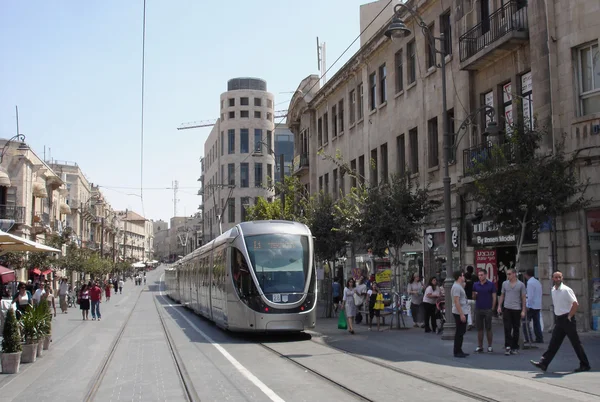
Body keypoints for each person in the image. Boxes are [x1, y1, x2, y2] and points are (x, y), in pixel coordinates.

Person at [531, 271, 591, 373]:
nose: (557, 279)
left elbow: (575, 304)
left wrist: (569, 316)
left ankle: (585, 364)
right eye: (555, 277)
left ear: (562, 278)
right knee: (554, 343)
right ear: (553, 279)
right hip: (559, 320)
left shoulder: (567, 290)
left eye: (559, 277)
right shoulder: (553, 290)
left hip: (567, 320)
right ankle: (544, 363)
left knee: (576, 343)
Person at [497, 268, 526, 355]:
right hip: (507, 308)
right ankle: (508, 346)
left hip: (517, 309)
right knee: (507, 328)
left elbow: (523, 298)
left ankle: (515, 346)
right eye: (507, 274)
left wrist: (523, 310)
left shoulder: (521, 285)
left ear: (514, 274)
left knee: (516, 328)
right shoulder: (504, 284)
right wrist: (499, 306)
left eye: (509, 274)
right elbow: (502, 295)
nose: (508, 276)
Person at [472, 268, 497, 353]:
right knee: (479, 328)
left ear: (486, 275)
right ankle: (480, 346)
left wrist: (493, 308)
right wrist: (475, 295)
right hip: (478, 308)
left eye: (482, 275)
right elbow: (473, 297)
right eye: (479, 275)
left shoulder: (491, 284)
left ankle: (490, 346)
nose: (480, 277)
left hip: (488, 309)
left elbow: (494, 297)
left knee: (488, 328)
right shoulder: (475, 284)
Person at [451, 270, 469, 358]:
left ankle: (459, 349)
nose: (464, 277)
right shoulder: (456, 287)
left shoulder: (459, 286)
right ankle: (457, 351)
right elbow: (456, 301)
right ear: (459, 277)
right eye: (462, 275)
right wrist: (461, 314)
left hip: (463, 310)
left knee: (461, 332)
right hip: (459, 312)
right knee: (459, 332)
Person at [524, 269, 543, 343]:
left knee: (525, 322)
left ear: (526, 274)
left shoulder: (530, 283)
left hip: (532, 306)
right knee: (536, 322)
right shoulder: (537, 282)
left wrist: (527, 305)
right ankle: (539, 338)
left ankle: (528, 338)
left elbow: (530, 296)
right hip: (537, 305)